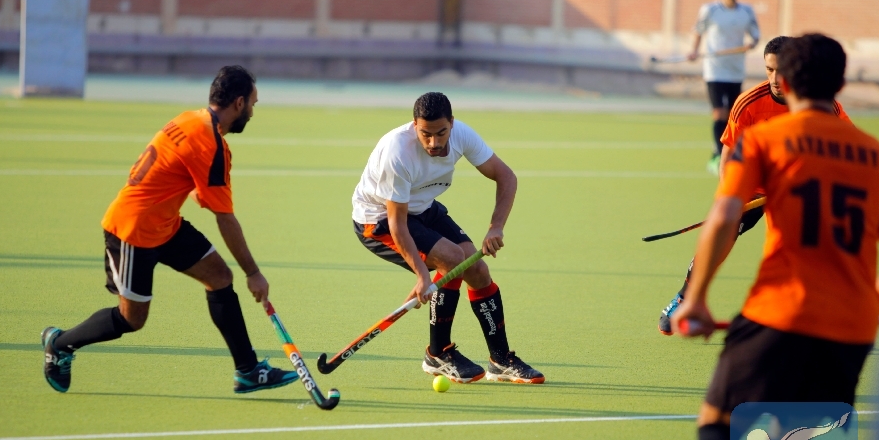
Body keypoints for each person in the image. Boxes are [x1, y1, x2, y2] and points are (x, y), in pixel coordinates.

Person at [673, 34, 879, 440]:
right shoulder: (876, 155)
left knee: (717, 420)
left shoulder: (767, 139)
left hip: (782, 310)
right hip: (852, 330)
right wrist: (875, 297)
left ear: (783, 81)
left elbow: (724, 215)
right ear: (841, 86)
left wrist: (695, 298)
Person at [42, 66, 299, 394]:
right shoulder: (211, 144)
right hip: (134, 230)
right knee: (132, 319)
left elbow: (177, 173)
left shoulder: (191, 119)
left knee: (219, 276)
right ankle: (59, 344)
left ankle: (247, 370)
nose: (252, 111)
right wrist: (253, 273)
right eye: (252, 103)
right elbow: (225, 219)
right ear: (238, 103)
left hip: (165, 224)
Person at [658, 36, 851, 334]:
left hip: (797, 192)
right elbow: (728, 154)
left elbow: (847, 148)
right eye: (769, 70)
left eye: (781, 71)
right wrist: (729, 198)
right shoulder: (749, 103)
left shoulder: (819, 105)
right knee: (723, 235)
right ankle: (686, 296)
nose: (774, 79)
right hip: (755, 188)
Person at [351, 92, 544, 384]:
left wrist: (496, 227)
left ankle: (501, 360)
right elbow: (397, 224)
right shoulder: (397, 153)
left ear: (451, 123)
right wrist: (421, 275)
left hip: (422, 208)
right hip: (378, 219)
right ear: (414, 125)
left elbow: (506, 176)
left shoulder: (462, 134)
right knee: (453, 258)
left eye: (441, 133)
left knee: (477, 270)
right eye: (425, 134)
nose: (433, 142)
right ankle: (438, 354)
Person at [688, 0, 760, 175]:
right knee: (718, 112)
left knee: (732, 115)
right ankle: (720, 155)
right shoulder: (710, 10)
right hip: (714, 69)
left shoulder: (746, 11)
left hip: (735, 70)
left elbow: (755, 36)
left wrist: (752, 43)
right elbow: (698, 30)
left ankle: (718, 150)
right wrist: (694, 50)